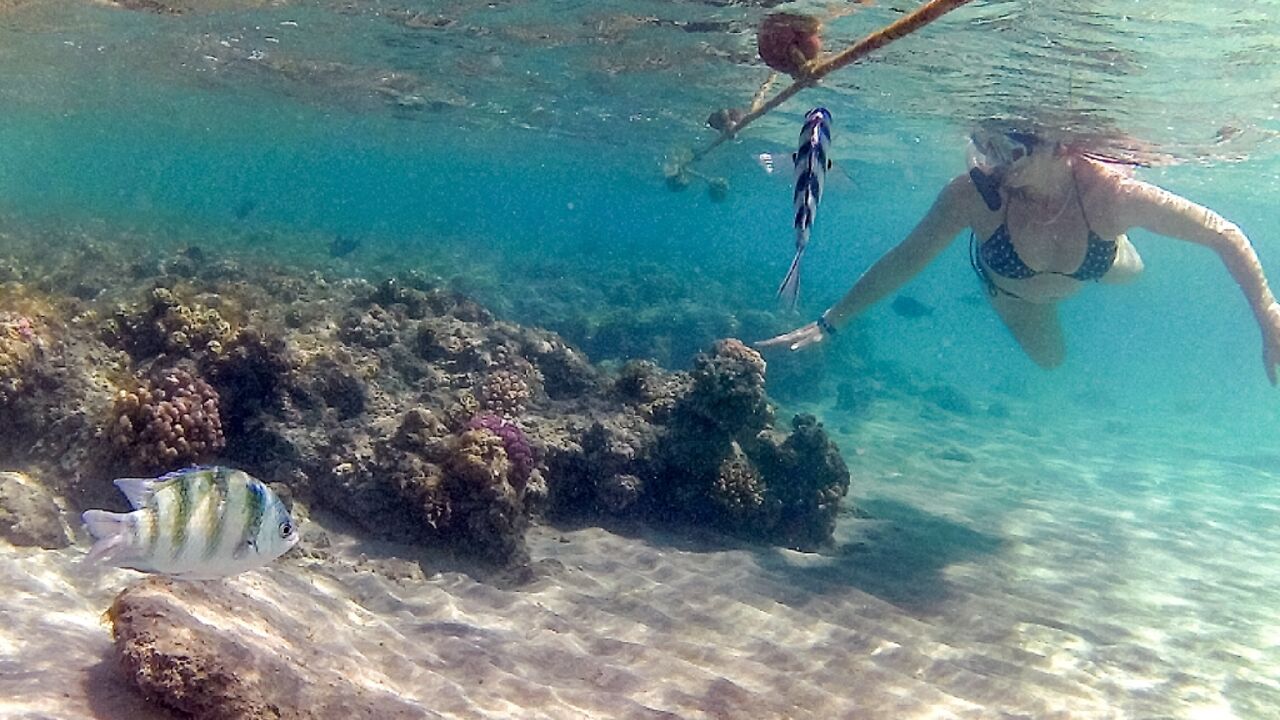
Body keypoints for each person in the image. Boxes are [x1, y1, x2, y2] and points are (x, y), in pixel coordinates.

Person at [757, 127, 1280, 384]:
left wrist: (1270, 317)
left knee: (1134, 273)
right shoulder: (973, 197)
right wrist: (830, 323)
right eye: (985, 142)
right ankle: (996, 281)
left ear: (1060, 148)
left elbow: (1223, 233)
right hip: (1012, 287)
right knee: (1051, 361)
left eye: (1010, 148)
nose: (992, 161)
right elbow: (906, 258)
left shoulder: (1112, 195)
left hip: (1098, 261)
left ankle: (1117, 246)